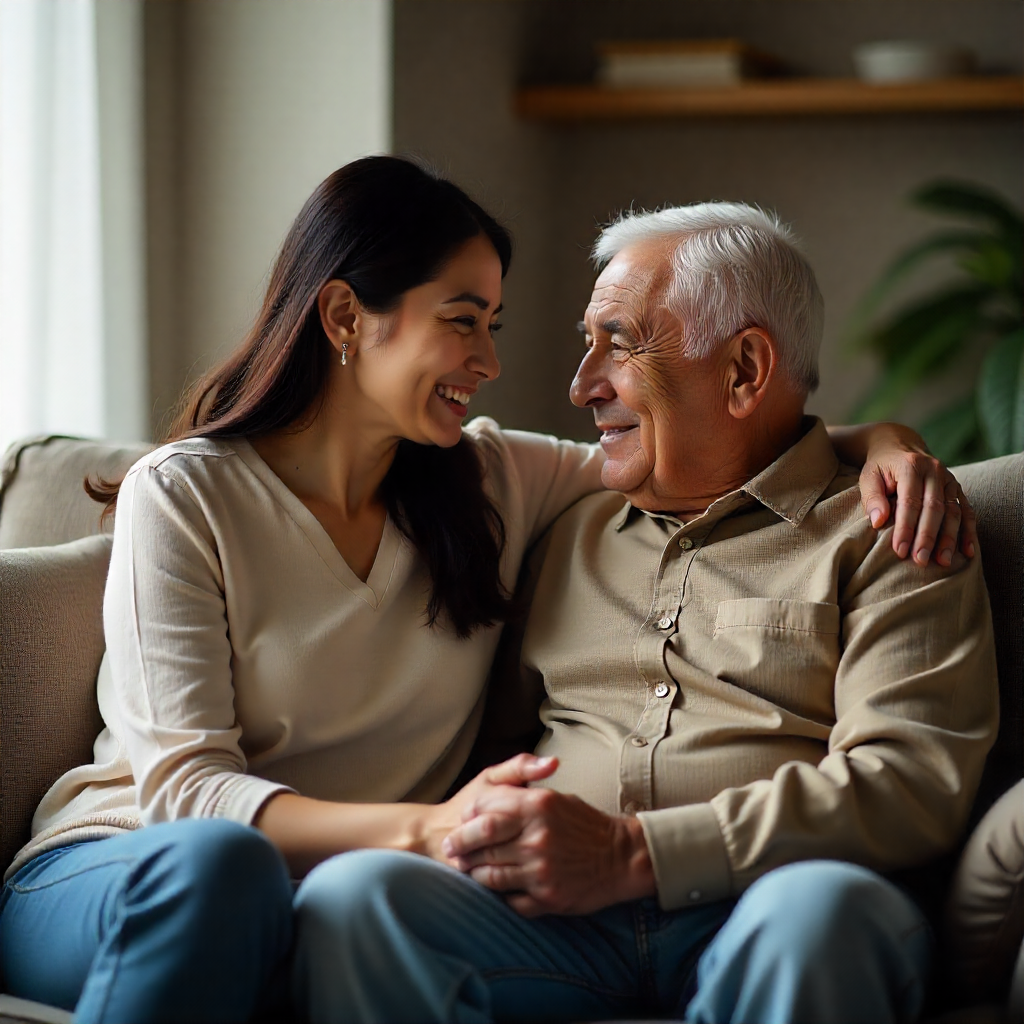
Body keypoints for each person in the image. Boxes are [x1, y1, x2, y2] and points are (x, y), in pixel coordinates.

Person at [0, 161, 974, 1024]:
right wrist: (436, 827)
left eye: (614, 341)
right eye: (463, 323)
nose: (552, 376)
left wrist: (882, 443)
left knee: (819, 912)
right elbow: (189, 794)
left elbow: (746, 447)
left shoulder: (509, 485)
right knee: (306, 887)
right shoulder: (210, 490)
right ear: (344, 319)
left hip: (761, 893)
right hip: (165, 856)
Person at [289, 202, 999, 1024]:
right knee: (355, 896)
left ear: (743, 371)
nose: (583, 385)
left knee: (819, 915)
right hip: (558, 927)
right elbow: (497, 744)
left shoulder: (892, 526)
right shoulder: (565, 523)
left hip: (774, 906)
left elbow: (911, 784)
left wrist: (636, 855)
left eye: (617, 344)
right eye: (586, 345)